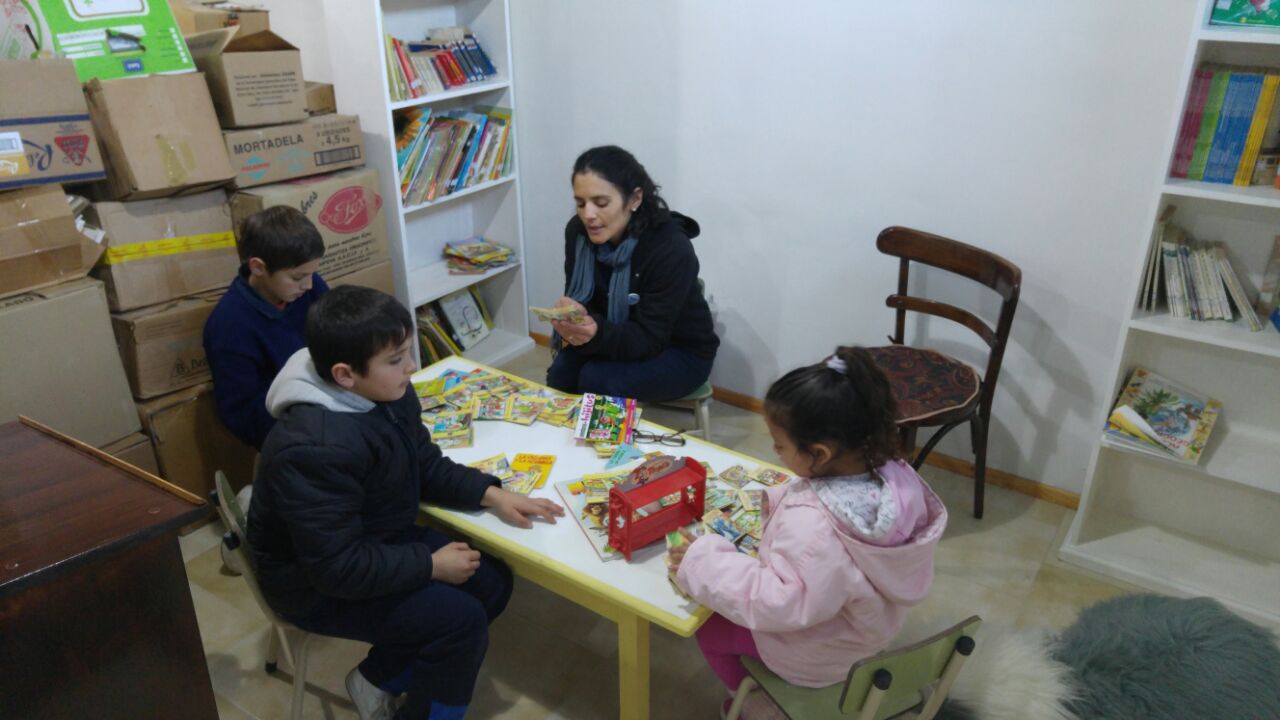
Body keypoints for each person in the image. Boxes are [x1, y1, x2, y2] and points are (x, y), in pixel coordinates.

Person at [247, 286, 564, 720]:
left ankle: (378, 677)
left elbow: (423, 462)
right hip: (312, 585)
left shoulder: (387, 392)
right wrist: (430, 565)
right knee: (459, 622)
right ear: (344, 375)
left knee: (491, 582)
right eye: (396, 359)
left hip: (375, 539)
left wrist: (491, 493)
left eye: (407, 351)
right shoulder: (313, 448)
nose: (412, 366)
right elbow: (336, 568)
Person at [669, 346, 947, 712]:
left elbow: (774, 602)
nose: (774, 450)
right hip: (864, 631)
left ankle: (756, 704)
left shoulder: (814, 531)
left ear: (819, 454)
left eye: (780, 444)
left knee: (710, 630)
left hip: (817, 652)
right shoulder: (893, 477)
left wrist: (701, 561)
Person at [545, 145, 718, 402]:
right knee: (561, 375)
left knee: (596, 380)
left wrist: (596, 332)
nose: (588, 215)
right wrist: (574, 315)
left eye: (601, 203)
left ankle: (602, 426)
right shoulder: (578, 233)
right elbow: (585, 301)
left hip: (679, 350)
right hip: (615, 334)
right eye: (580, 203)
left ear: (635, 199)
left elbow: (650, 338)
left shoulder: (670, 248)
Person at [204, 206, 329, 451]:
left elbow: (340, 336)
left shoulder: (309, 286)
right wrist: (312, 427)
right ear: (258, 267)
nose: (308, 285)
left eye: (313, 273)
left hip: (331, 398)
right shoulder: (229, 326)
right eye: (297, 277)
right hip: (293, 432)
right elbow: (243, 415)